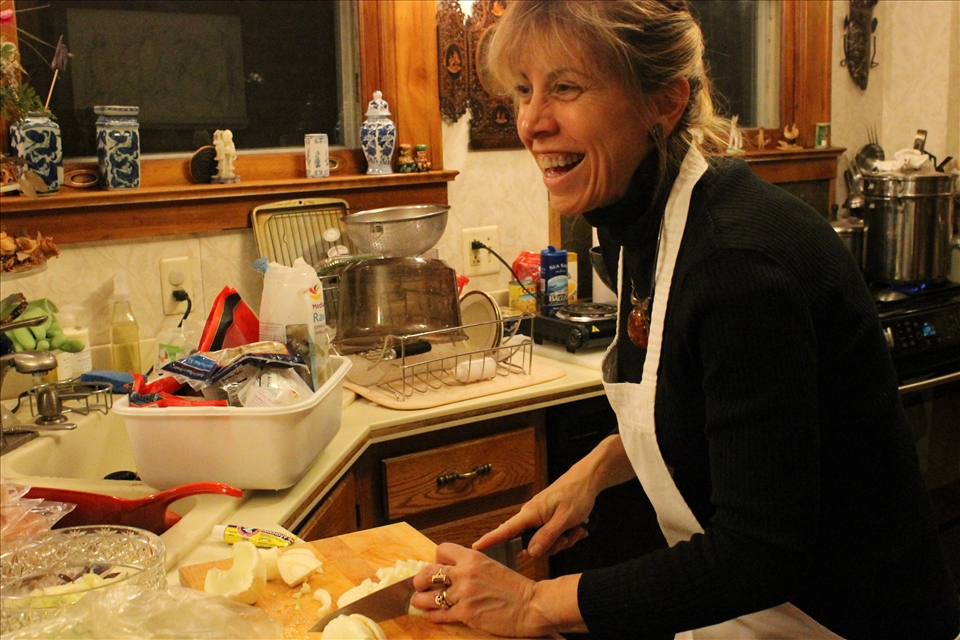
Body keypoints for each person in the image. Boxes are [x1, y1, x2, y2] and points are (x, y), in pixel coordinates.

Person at [411, 2, 960, 639]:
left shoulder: (736, 264)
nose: (531, 122)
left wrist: (532, 603)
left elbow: (760, 554)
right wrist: (600, 467)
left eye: (566, 87)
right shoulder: (639, 228)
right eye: (524, 90)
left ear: (663, 104)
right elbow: (713, 411)